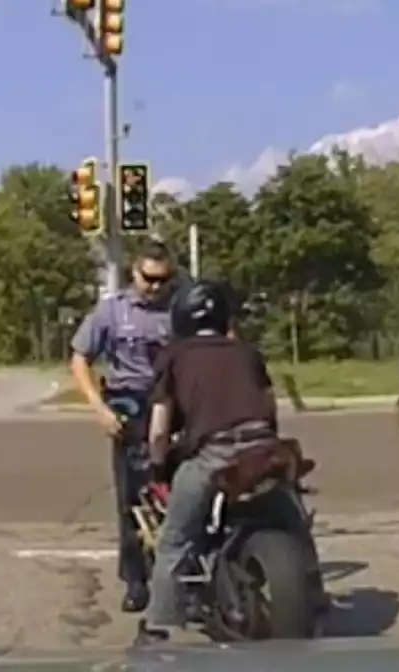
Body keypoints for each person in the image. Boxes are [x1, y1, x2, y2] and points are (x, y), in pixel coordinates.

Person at [135, 280, 316, 645]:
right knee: (296, 522)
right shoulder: (247, 352)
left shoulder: (173, 356)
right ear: (223, 317)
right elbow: (269, 406)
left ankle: (158, 627)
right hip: (264, 454)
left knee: (174, 542)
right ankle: (316, 594)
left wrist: (157, 465)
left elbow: (158, 430)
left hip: (212, 457)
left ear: (180, 317)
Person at [68, 241, 177, 613]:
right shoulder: (112, 311)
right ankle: (136, 580)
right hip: (129, 403)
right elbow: (80, 358)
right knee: (133, 498)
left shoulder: (180, 309)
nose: (157, 287)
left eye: (164, 279)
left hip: (174, 403)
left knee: (178, 492)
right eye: (149, 279)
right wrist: (98, 408)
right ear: (134, 273)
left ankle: (181, 575)